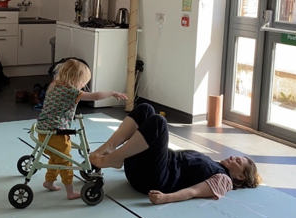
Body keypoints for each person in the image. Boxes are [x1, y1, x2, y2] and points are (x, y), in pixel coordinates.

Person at [90, 103, 260, 204]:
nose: (233, 158)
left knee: (159, 123)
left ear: (240, 177)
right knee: (146, 109)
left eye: (238, 162)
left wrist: (166, 198)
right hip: (143, 168)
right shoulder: (214, 164)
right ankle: (109, 149)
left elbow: (193, 191)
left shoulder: (224, 180)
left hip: (153, 179)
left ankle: (114, 159)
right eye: (236, 156)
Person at [36, 59, 128, 199]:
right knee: (66, 161)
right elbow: (95, 96)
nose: (83, 86)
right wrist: (112, 93)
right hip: (56, 133)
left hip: (43, 131)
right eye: (83, 82)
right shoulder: (71, 91)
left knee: (56, 158)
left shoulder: (54, 85)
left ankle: (49, 181)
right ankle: (70, 191)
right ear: (76, 79)